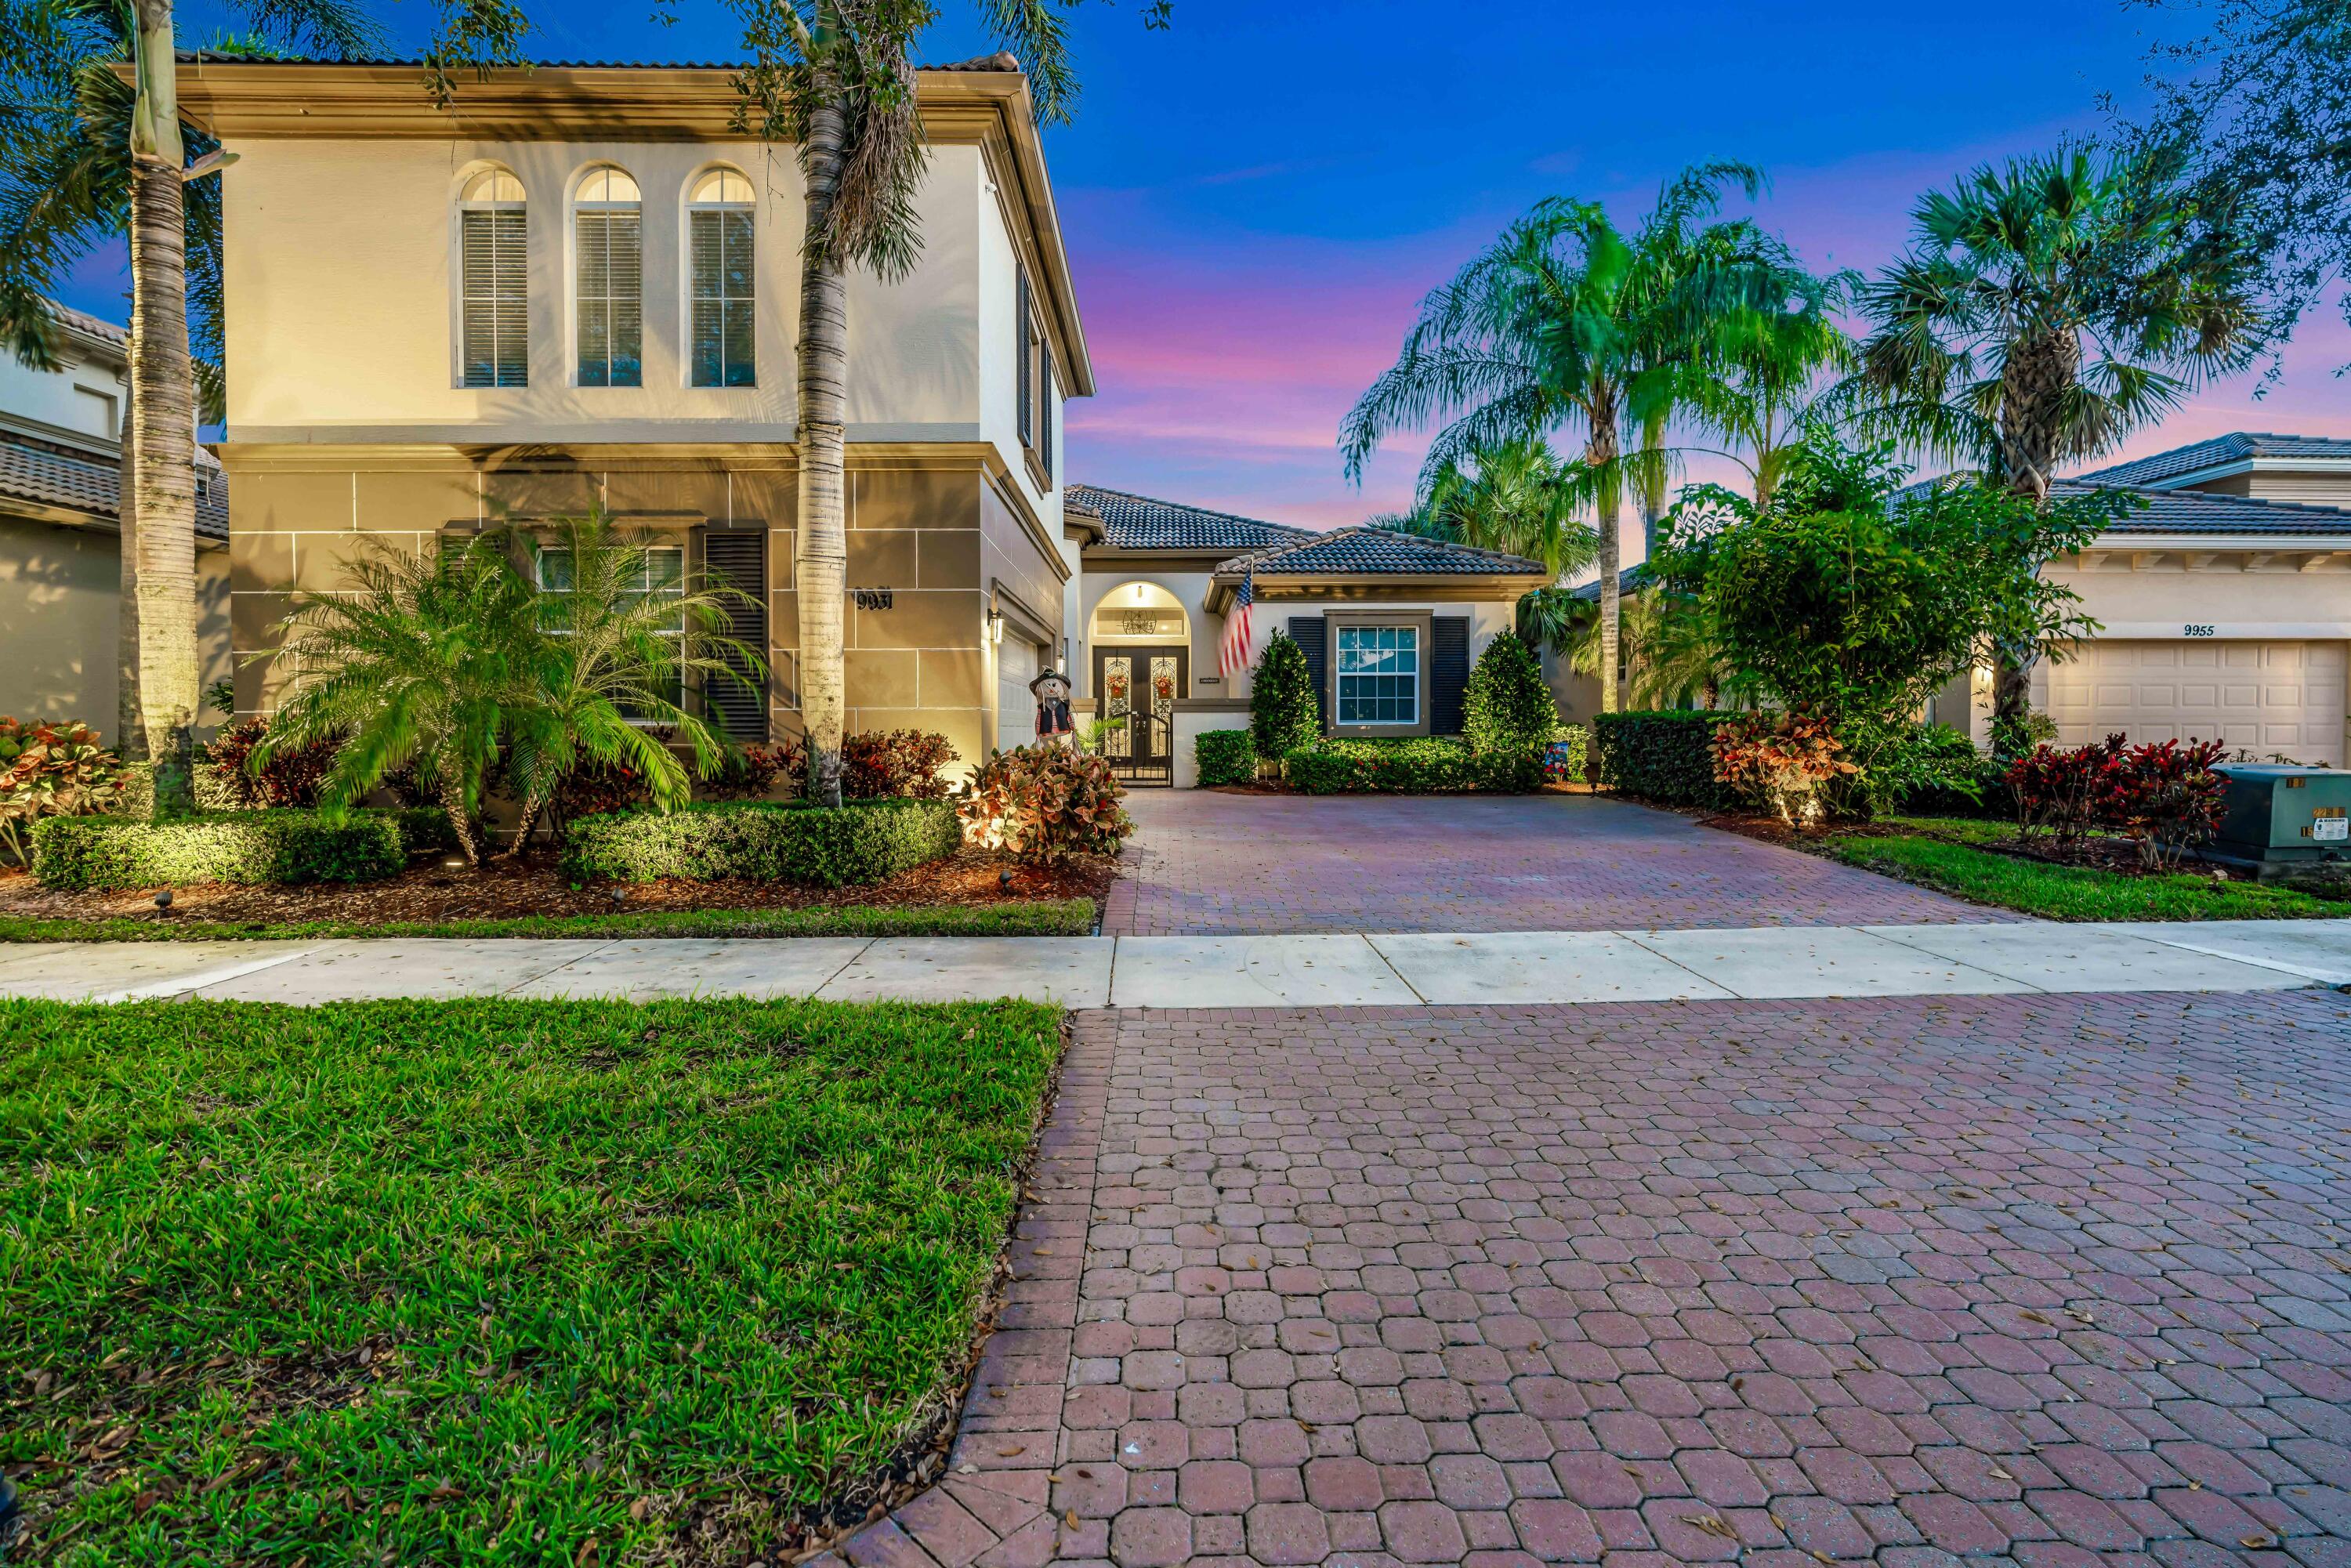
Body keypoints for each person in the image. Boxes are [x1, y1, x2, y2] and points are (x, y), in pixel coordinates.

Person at [1031, 668, 1077, 748]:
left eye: (1054, 685)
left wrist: (1073, 728)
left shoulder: (1064, 704)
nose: (1051, 689)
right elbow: (1039, 718)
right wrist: (1038, 733)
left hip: (1063, 729)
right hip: (1046, 731)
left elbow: (1069, 716)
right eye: (1048, 685)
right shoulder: (1042, 706)